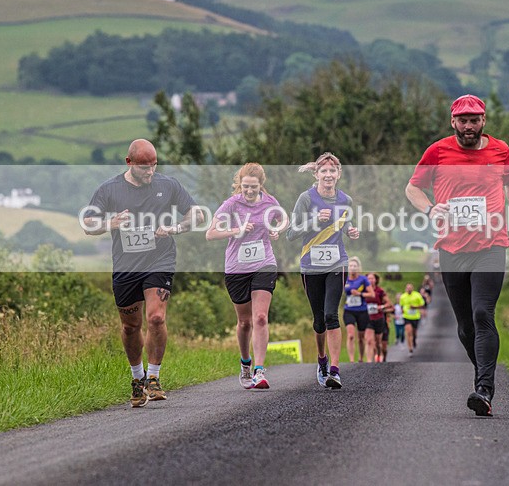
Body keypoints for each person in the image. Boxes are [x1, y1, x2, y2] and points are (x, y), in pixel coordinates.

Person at [405, 94, 509, 417]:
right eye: (463, 120)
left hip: (491, 244)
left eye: (475, 120)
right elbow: (413, 188)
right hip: (452, 248)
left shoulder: (499, 149)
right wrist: (431, 209)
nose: (469, 126)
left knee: (482, 314)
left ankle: (484, 390)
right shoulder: (438, 151)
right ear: (453, 122)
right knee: (464, 327)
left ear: (483, 121)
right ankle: (483, 375)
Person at [82, 139, 204, 408]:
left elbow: (197, 215)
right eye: (144, 167)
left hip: (160, 258)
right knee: (130, 326)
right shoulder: (110, 189)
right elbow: (88, 224)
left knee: (157, 318)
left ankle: (154, 377)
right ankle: (137, 379)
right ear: (129, 163)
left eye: (153, 165)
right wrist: (110, 223)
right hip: (126, 265)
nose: (150, 172)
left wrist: (176, 228)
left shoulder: (168, 185)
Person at [206, 163, 288, 390]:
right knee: (244, 322)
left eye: (253, 187)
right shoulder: (231, 205)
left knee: (260, 317)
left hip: (264, 264)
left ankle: (259, 371)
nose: (249, 191)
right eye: (245, 187)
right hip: (237, 268)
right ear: (239, 185)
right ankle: (245, 363)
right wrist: (236, 230)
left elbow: (282, 219)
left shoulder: (270, 202)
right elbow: (210, 234)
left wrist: (276, 231)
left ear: (261, 185)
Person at [287, 152, 359, 389]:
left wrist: (350, 231)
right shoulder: (306, 198)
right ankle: (322, 360)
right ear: (316, 174)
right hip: (311, 265)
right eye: (324, 171)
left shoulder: (345, 199)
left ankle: (335, 372)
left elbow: (344, 222)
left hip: (337, 263)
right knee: (319, 320)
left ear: (338, 174)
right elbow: (291, 233)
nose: (328, 175)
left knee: (331, 315)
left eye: (332, 171)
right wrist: (315, 220)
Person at [343, 257, 373, 363]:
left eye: (354, 266)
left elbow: (371, 294)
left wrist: (360, 294)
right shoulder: (344, 279)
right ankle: (351, 360)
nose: (352, 268)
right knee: (351, 335)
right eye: (350, 266)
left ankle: (360, 357)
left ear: (358, 268)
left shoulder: (363, 280)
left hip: (362, 311)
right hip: (349, 310)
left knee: (361, 338)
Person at [363, 272, 391, 362]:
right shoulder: (363, 291)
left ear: (376, 280)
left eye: (372, 278)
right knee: (369, 341)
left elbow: (389, 304)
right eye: (368, 279)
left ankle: (379, 355)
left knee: (378, 343)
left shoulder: (380, 291)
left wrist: (381, 307)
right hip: (367, 318)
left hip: (379, 318)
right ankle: (369, 361)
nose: (370, 280)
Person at [399, 283, 425, 356]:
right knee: (408, 332)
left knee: (414, 332)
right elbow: (401, 305)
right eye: (407, 288)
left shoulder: (417, 295)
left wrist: (415, 307)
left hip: (415, 317)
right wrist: (402, 310)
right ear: (406, 289)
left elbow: (422, 304)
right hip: (406, 316)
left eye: (410, 288)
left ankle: (414, 340)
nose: (409, 289)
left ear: (412, 288)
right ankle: (410, 349)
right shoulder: (403, 296)